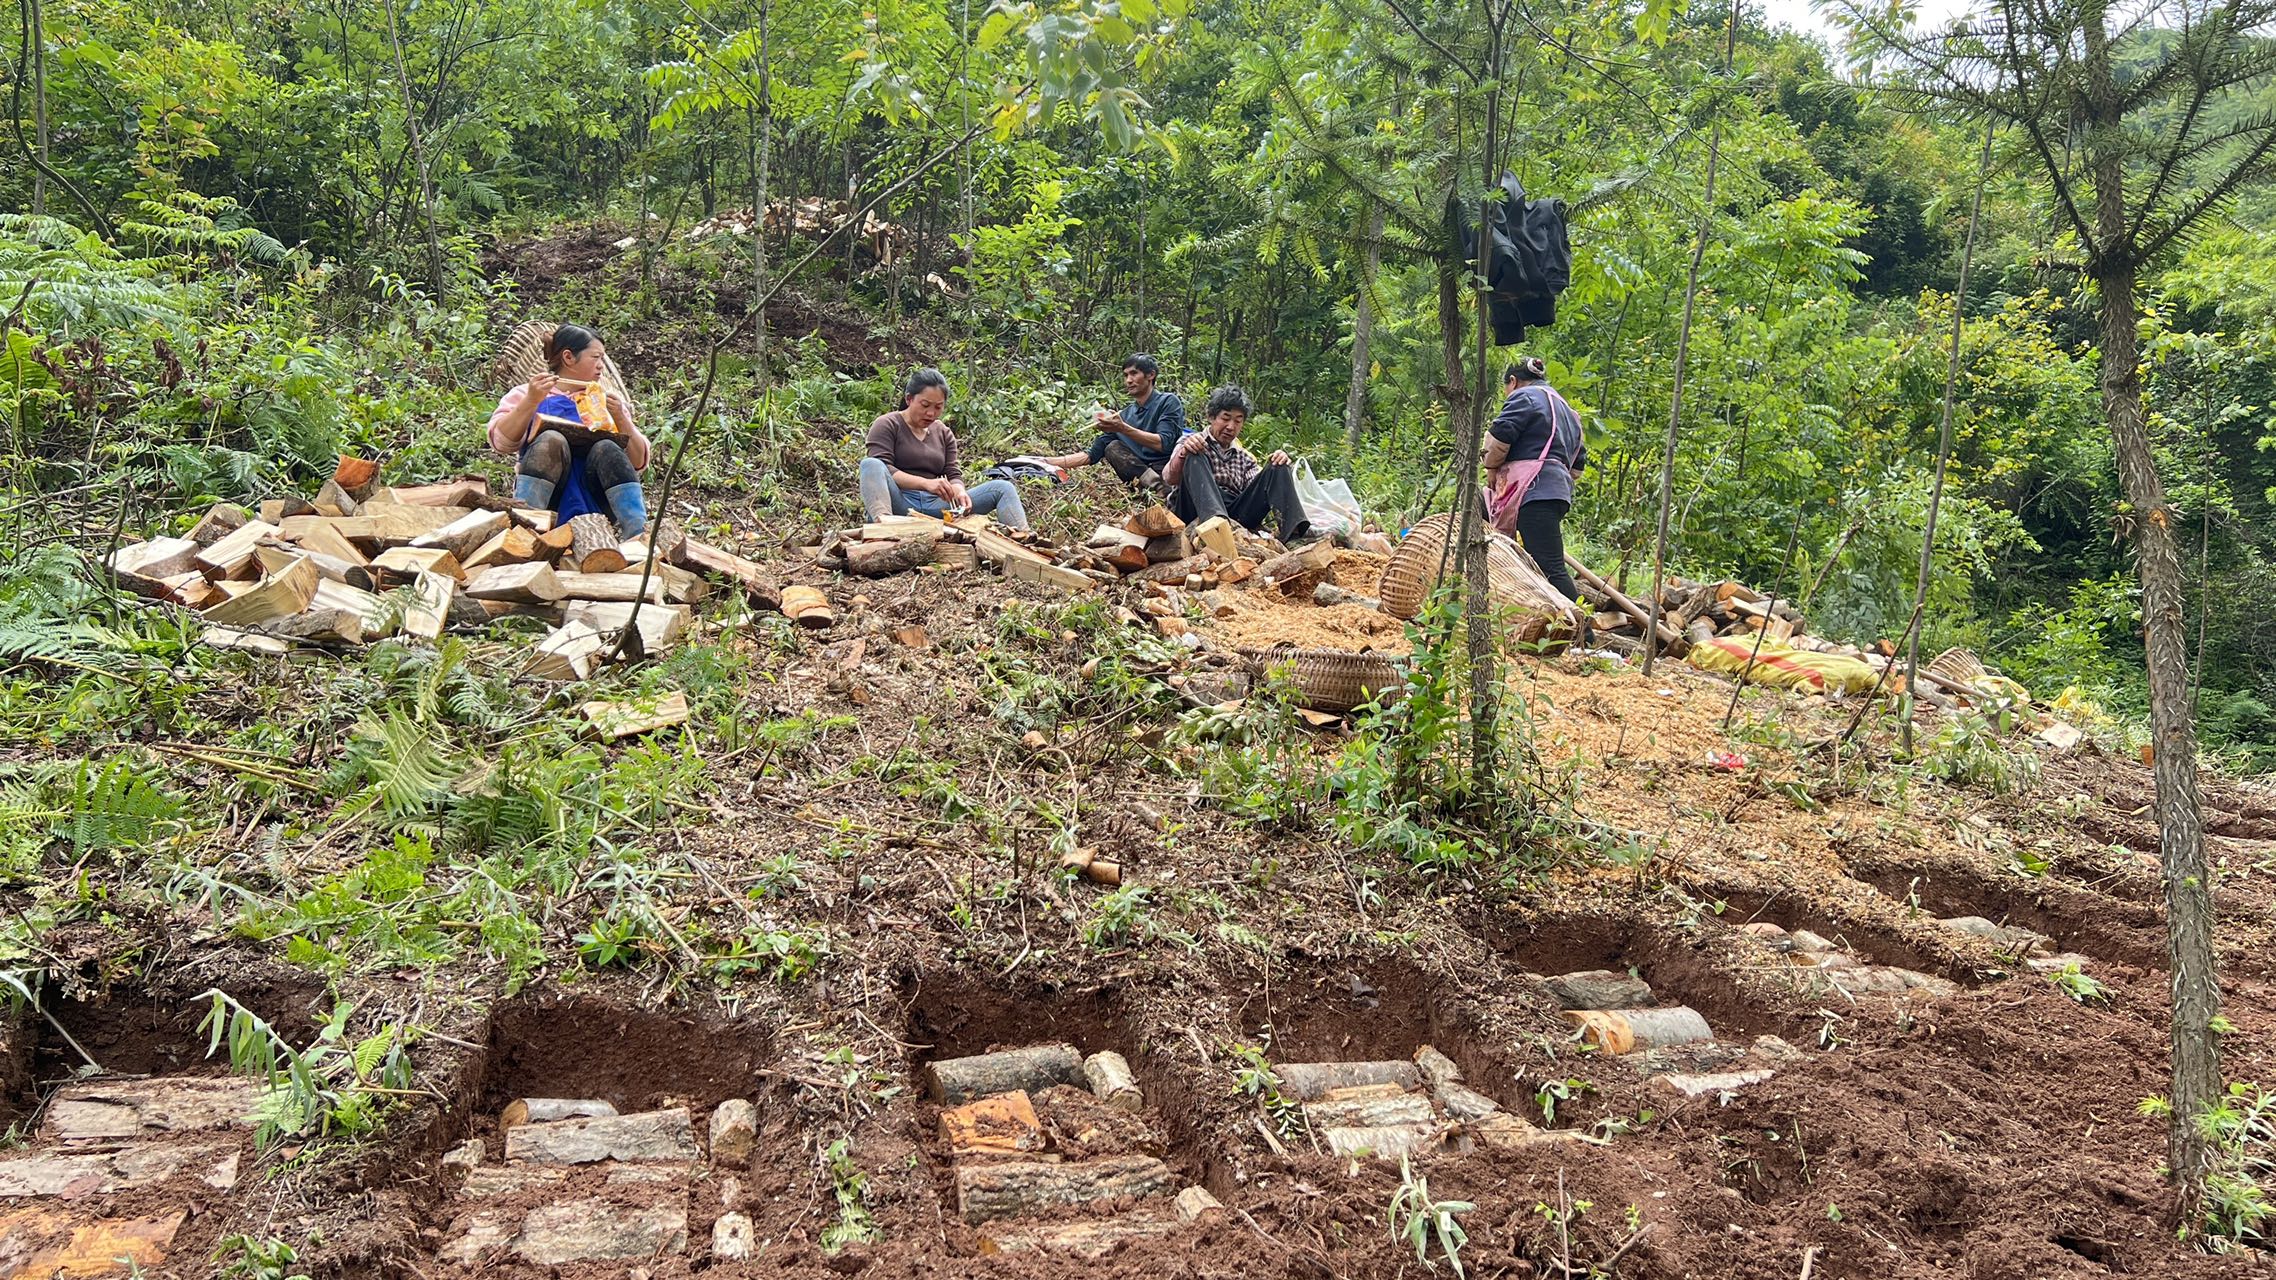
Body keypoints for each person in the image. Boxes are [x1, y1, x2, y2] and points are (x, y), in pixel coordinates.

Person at [487, 324, 651, 538]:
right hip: (548, 500)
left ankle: (638, 535)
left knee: (607, 447)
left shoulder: (607, 402)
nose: (601, 366)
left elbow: (638, 461)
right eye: (596, 357)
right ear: (568, 357)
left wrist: (620, 418)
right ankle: (525, 528)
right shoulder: (527, 393)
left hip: (598, 500)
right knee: (551, 440)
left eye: (602, 359)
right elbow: (501, 442)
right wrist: (531, 401)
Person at [859, 368, 1031, 529]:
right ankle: (883, 526)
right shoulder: (887, 424)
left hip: (937, 507)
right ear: (909, 399)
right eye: (925, 405)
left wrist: (959, 491)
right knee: (871, 464)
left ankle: (1023, 539)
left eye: (938, 407)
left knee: (1002, 488)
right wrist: (926, 484)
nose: (931, 413)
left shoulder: (943, 432)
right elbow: (883, 469)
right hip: (900, 503)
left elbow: (953, 473)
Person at [1482, 355, 1586, 604]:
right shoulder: (1568, 411)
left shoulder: (1524, 397)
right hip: (1556, 493)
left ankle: (1582, 625)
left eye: (1506, 388)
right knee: (1542, 562)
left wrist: (1491, 467)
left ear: (1513, 381)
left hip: (1533, 492)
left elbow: (1500, 437)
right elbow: (1578, 464)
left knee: (1550, 568)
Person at [1162, 385, 1310, 540]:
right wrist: (1183, 453)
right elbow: (1169, 478)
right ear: (1211, 417)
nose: (1231, 427)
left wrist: (1279, 464)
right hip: (1193, 508)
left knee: (1278, 464)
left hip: (1234, 514)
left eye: (1238, 421)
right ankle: (1216, 527)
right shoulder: (1190, 441)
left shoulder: (1244, 458)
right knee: (1194, 454)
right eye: (1225, 419)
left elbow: (1259, 488)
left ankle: (1294, 534)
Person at [1042, 354, 1186, 487]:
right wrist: (1044, 462)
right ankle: (1155, 490)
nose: (1129, 380)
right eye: (1126, 375)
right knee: (1113, 447)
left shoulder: (1168, 401)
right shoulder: (1124, 414)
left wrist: (1123, 428)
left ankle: (1163, 490)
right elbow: (1092, 455)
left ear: (1151, 375)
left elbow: (1165, 444)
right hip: (1140, 477)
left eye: (1134, 373)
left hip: (1166, 473)